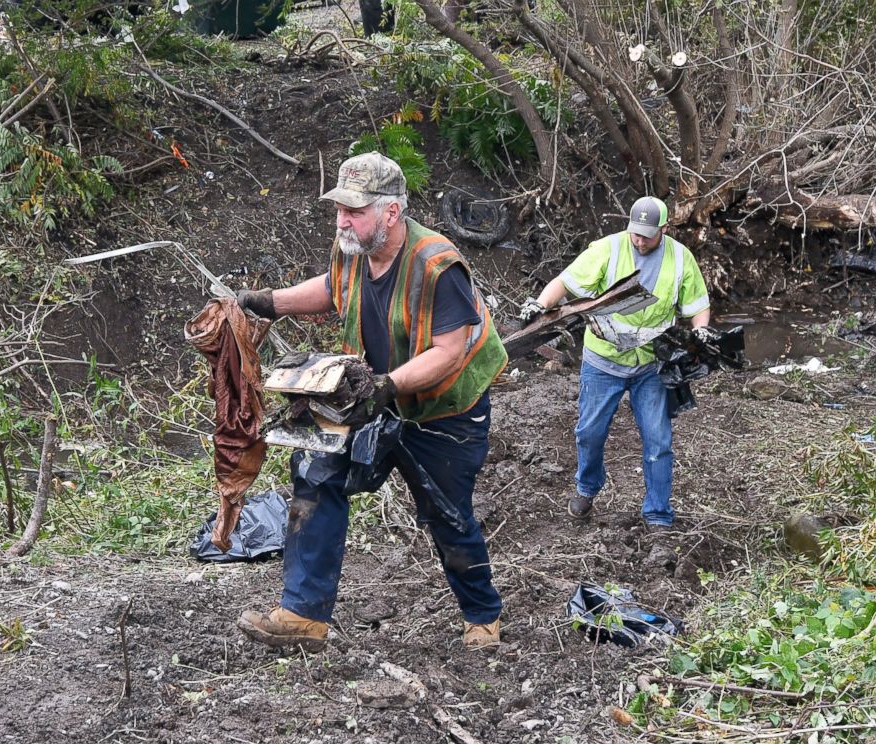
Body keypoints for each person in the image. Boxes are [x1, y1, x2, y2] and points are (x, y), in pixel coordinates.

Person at [234, 152, 508, 652]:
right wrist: (267, 301)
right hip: (372, 395)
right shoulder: (353, 246)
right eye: (340, 208)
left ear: (391, 212)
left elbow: (448, 352)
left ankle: (482, 615)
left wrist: (386, 388)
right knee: (316, 475)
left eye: (354, 210)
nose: (343, 219)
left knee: (447, 513)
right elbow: (331, 288)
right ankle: (302, 615)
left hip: (443, 410)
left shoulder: (438, 265)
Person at [522, 196, 710, 532]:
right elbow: (564, 283)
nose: (639, 241)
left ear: (664, 229)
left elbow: (697, 306)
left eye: (647, 236)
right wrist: (538, 305)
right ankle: (587, 488)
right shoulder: (607, 250)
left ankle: (657, 513)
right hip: (603, 362)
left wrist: (702, 333)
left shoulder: (681, 259)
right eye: (635, 233)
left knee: (658, 440)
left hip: (650, 364)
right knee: (589, 433)